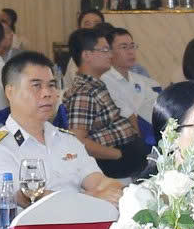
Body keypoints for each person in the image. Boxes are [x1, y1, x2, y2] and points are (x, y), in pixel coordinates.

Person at [0, 51, 123, 205]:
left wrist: (117, 191)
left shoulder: (67, 139)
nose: (47, 93)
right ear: (10, 92)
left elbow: (99, 182)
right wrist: (92, 198)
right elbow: (29, 199)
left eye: (51, 85)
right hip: (38, 221)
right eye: (36, 86)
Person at [60, 28, 148, 179]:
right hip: (114, 170)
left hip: (127, 162)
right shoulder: (83, 93)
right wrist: (118, 154)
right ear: (87, 55)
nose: (110, 55)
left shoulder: (95, 85)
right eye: (105, 50)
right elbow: (78, 141)